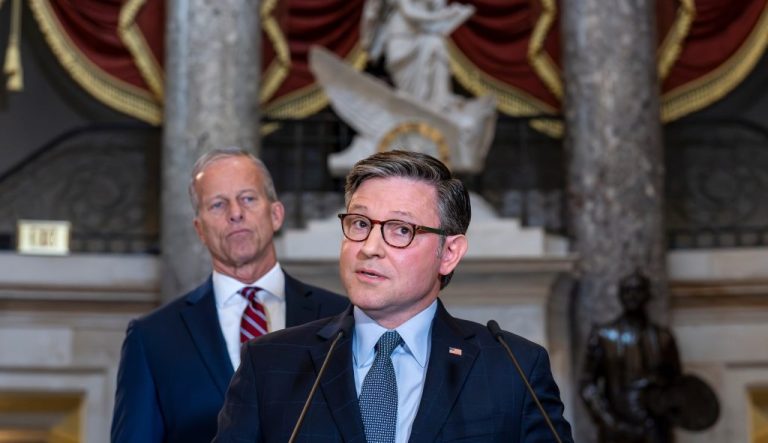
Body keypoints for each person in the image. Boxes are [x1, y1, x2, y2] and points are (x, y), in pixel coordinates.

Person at [214, 150, 573, 442]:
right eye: (360, 224)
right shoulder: (270, 363)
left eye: (401, 229)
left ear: (448, 253)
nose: (369, 247)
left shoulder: (512, 368)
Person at [111, 147, 348, 443]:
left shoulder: (341, 318)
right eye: (217, 205)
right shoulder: (153, 338)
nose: (235, 213)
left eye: (248, 198)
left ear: (276, 214)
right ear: (199, 229)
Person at [580, 270, 682, 443]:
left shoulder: (663, 338)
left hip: (655, 432)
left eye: (637, 290)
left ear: (647, 294)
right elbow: (588, 385)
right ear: (620, 295)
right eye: (627, 291)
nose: (632, 296)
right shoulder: (603, 336)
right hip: (617, 432)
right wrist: (609, 421)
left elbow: (677, 384)